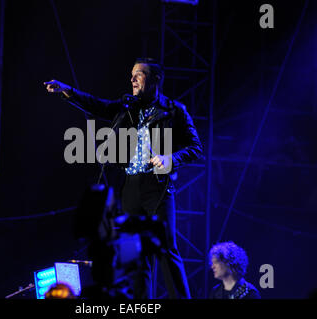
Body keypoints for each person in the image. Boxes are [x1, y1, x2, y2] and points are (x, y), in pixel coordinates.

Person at [44, 58, 203, 299]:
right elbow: (97, 106)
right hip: (131, 186)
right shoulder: (127, 107)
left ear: (155, 79)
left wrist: (170, 159)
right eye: (132, 74)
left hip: (157, 186)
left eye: (139, 74)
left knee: (165, 248)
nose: (133, 79)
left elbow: (195, 147)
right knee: (135, 253)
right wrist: (68, 90)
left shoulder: (173, 110)